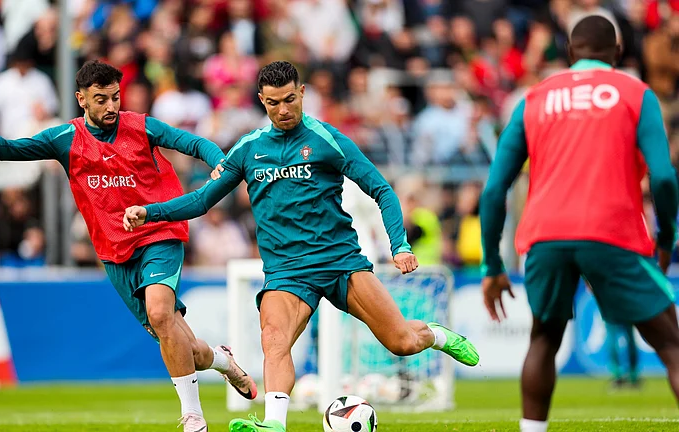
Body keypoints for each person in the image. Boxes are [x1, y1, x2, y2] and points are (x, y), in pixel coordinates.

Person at [123, 60, 480, 432]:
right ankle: (274, 424)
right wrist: (150, 212)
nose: (284, 109)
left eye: (291, 99)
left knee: (402, 342)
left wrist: (400, 244)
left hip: (342, 264)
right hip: (287, 273)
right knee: (273, 339)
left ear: (303, 93)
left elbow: (382, 189)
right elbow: (200, 201)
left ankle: (437, 335)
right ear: (262, 101)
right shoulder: (249, 149)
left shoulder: (327, 140)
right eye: (274, 102)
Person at [0, 59, 256, 432]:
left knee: (161, 314)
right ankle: (223, 362)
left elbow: (191, 141)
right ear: (81, 99)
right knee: (184, 346)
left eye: (115, 97)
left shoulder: (140, 126)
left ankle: (193, 417)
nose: (111, 106)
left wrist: (219, 163)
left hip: (159, 231)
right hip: (114, 251)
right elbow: (8, 150)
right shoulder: (65, 139)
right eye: (101, 99)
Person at [479, 16, 679, 432]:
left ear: (570, 54)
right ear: (618, 54)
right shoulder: (635, 93)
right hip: (613, 232)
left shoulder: (533, 98)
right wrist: (666, 236)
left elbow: (495, 189)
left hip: (546, 236)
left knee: (543, 341)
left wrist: (493, 267)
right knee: (672, 346)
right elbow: (662, 176)